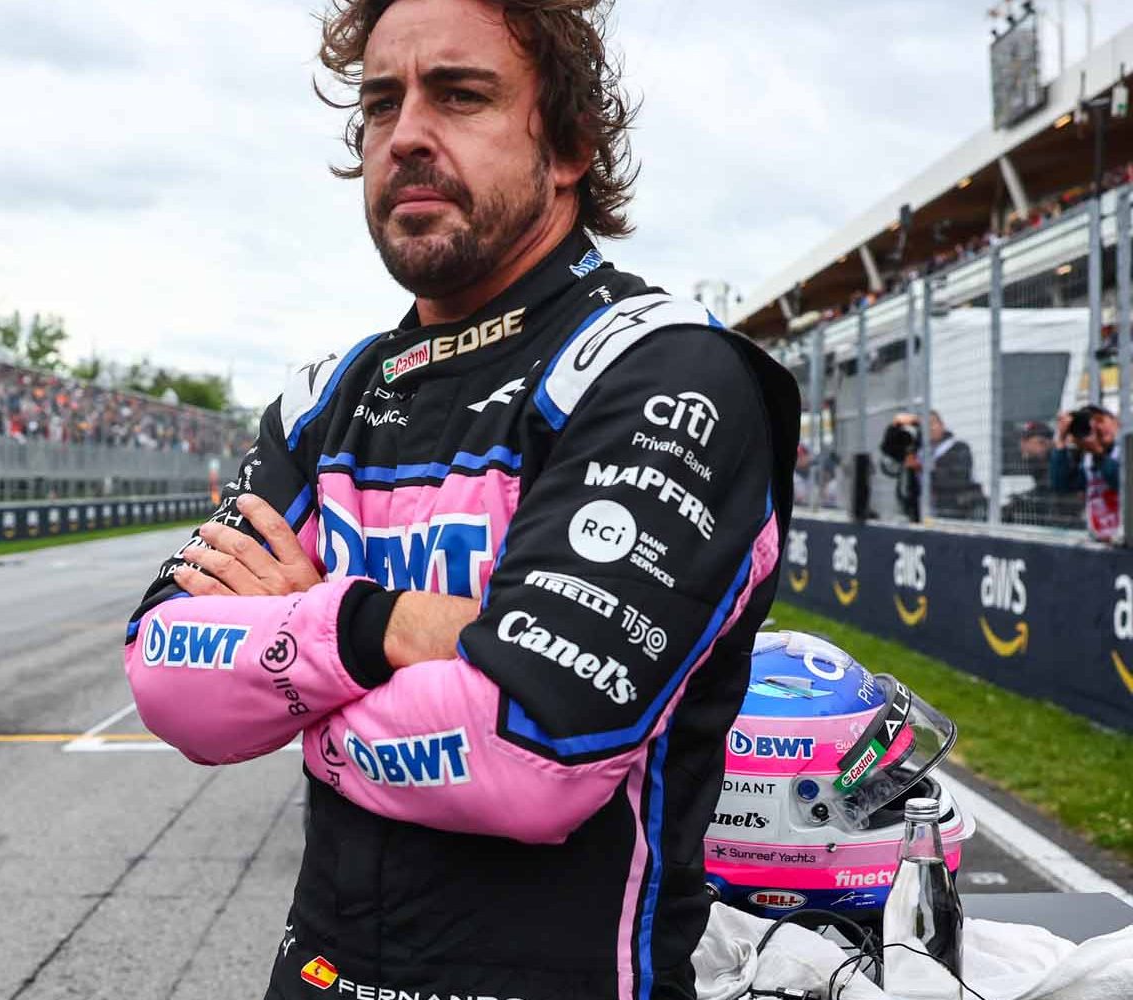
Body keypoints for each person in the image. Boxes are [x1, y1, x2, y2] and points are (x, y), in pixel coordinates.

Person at [121, 2, 799, 997]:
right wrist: (380, 628)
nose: (406, 138)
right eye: (381, 104)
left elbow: (529, 751)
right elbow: (166, 675)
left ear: (568, 146)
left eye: (461, 95)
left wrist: (299, 662)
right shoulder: (325, 399)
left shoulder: (665, 373)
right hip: (317, 972)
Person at [879, 410, 983, 521]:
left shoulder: (958, 447)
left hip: (952, 515)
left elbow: (958, 478)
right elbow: (889, 468)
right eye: (924, 426)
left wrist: (921, 468)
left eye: (933, 423)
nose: (930, 428)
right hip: (918, 516)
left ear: (942, 425)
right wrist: (895, 427)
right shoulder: (916, 450)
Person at [1051, 404, 1121, 543]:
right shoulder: (1088, 459)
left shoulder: (1124, 449)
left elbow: (1123, 485)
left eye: (1100, 420)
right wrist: (1060, 442)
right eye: (1091, 424)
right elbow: (1062, 485)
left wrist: (1099, 453)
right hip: (1100, 542)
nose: (1097, 428)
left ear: (1115, 421)